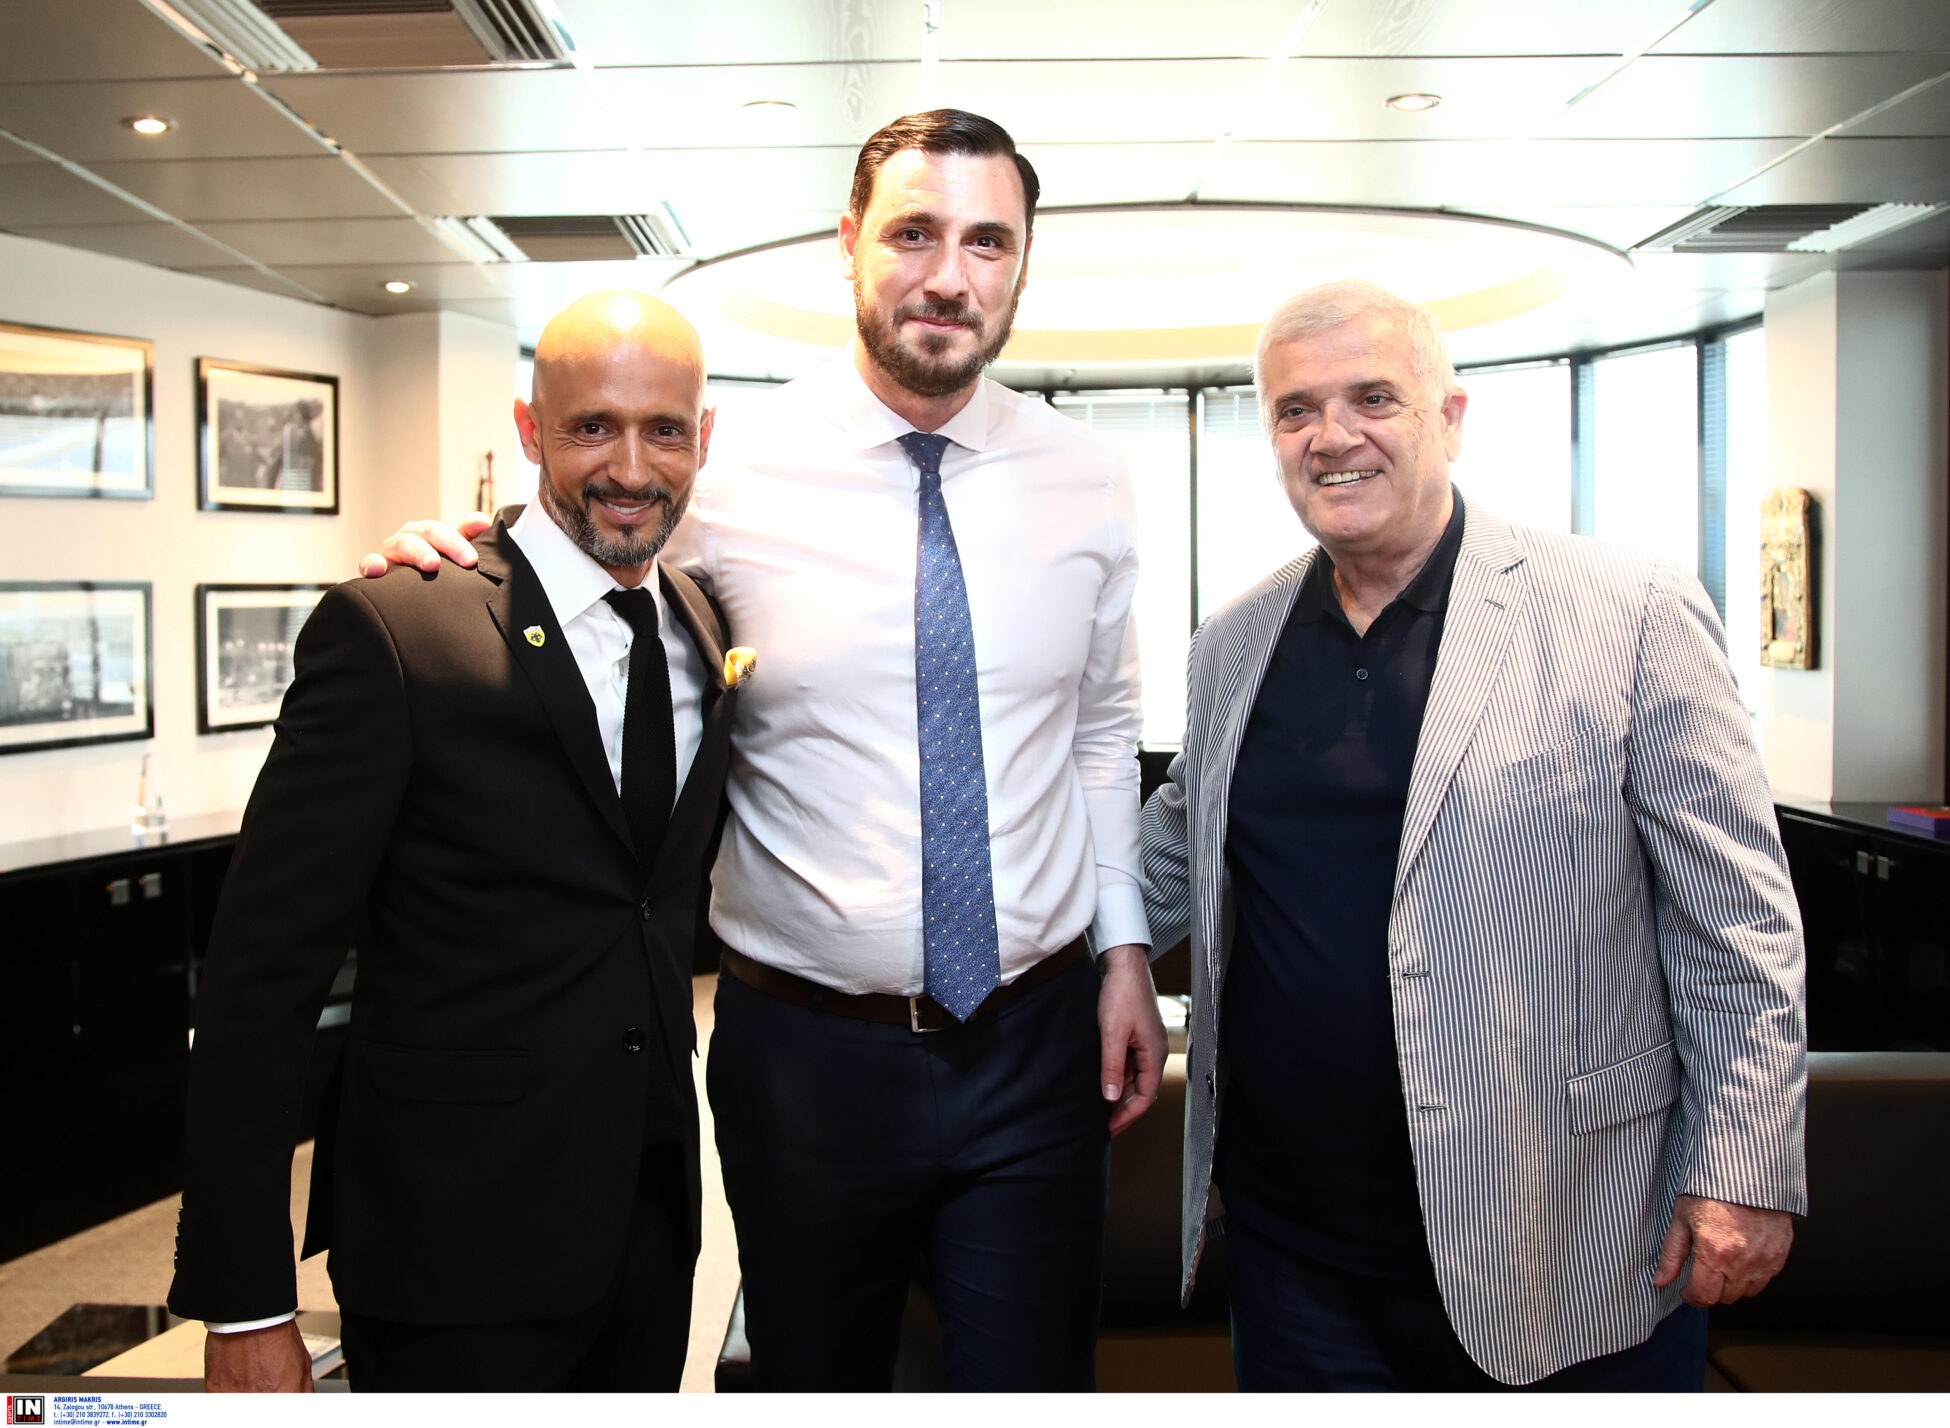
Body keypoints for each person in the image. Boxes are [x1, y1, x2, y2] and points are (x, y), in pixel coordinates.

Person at [364, 110, 1167, 1391]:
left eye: (987, 242)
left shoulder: (1088, 475)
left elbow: (1100, 731)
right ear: (850, 244)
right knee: (814, 1384)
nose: (948, 276)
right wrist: (458, 556)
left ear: (1021, 262)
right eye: (912, 234)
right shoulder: (726, 473)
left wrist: (1123, 951)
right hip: (807, 1056)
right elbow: (577, 563)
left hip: (1035, 1037)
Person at [1140, 279, 1807, 1390]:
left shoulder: (1627, 609)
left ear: (1449, 417)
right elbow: (1168, 859)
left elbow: (1737, 924)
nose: (1332, 436)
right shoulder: (1234, 643)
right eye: (1296, 410)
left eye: (1373, 398)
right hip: (1295, 1254)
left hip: (1567, 1239)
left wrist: (1740, 1170)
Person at [168, 292, 736, 1391]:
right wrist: (243, 1299)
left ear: (702, 438)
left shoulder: (703, 625)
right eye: (591, 427)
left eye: (664, 430)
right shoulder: (397, 629)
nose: (630, 466)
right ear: (529, 430)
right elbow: (258, 980)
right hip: (450, 1248)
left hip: (647, 1232)